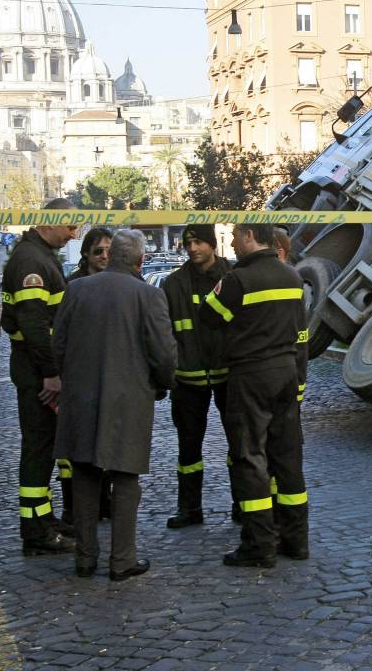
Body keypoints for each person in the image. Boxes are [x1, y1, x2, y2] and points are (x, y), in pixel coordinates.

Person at [52, 229, 177, 581]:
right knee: (125, 479)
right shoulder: (148, 295)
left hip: (81, 398)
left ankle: (85, 556)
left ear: (112, 256)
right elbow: (164, 354)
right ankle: (122, 559)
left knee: (85, 477)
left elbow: (58, 344)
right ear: (139, 261)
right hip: (128, 400)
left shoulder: (76, 290)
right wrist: (163, 383)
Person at [201, 222, 309, 567]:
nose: (231, 243)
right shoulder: (292, 276)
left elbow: (208, 317)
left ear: (249, 235)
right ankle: (295, 540)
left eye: (234, 236)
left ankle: (259, 546)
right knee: (287, 457)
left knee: (249, 456)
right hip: (286, 372)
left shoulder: (238, 280)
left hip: (251, 374)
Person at [0, 198, 79, 556]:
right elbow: (33, 323)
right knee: (37, 450)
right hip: (37, 373)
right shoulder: (32, 261)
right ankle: (35, 529)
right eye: (69, 226)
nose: (73, 234)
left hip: (36, 369)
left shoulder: (37, 255)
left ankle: (42, 518)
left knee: (45, 450)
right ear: (49, 222)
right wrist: (50, 373)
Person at [161, 224, 232, 528]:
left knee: (240, 444)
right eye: (188, 243)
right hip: (187, 379)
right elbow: (163, 333)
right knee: (188, 448)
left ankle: (245, 505)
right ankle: (189, 509)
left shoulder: (233, 278)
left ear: (213, 244)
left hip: (229, 375)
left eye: (199, 242)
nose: (192, 249)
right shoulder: (173, 284)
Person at [59, 227, 115, 528]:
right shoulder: (74, 286)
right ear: (86, 255)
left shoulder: (123, 283)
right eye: (98, 251)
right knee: (76, 451)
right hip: (80, 375)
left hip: (111, 374)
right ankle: (75, 508)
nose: (104, 256)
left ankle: (106, 503)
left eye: (109, 250)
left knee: (108, 444)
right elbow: (61, 334)